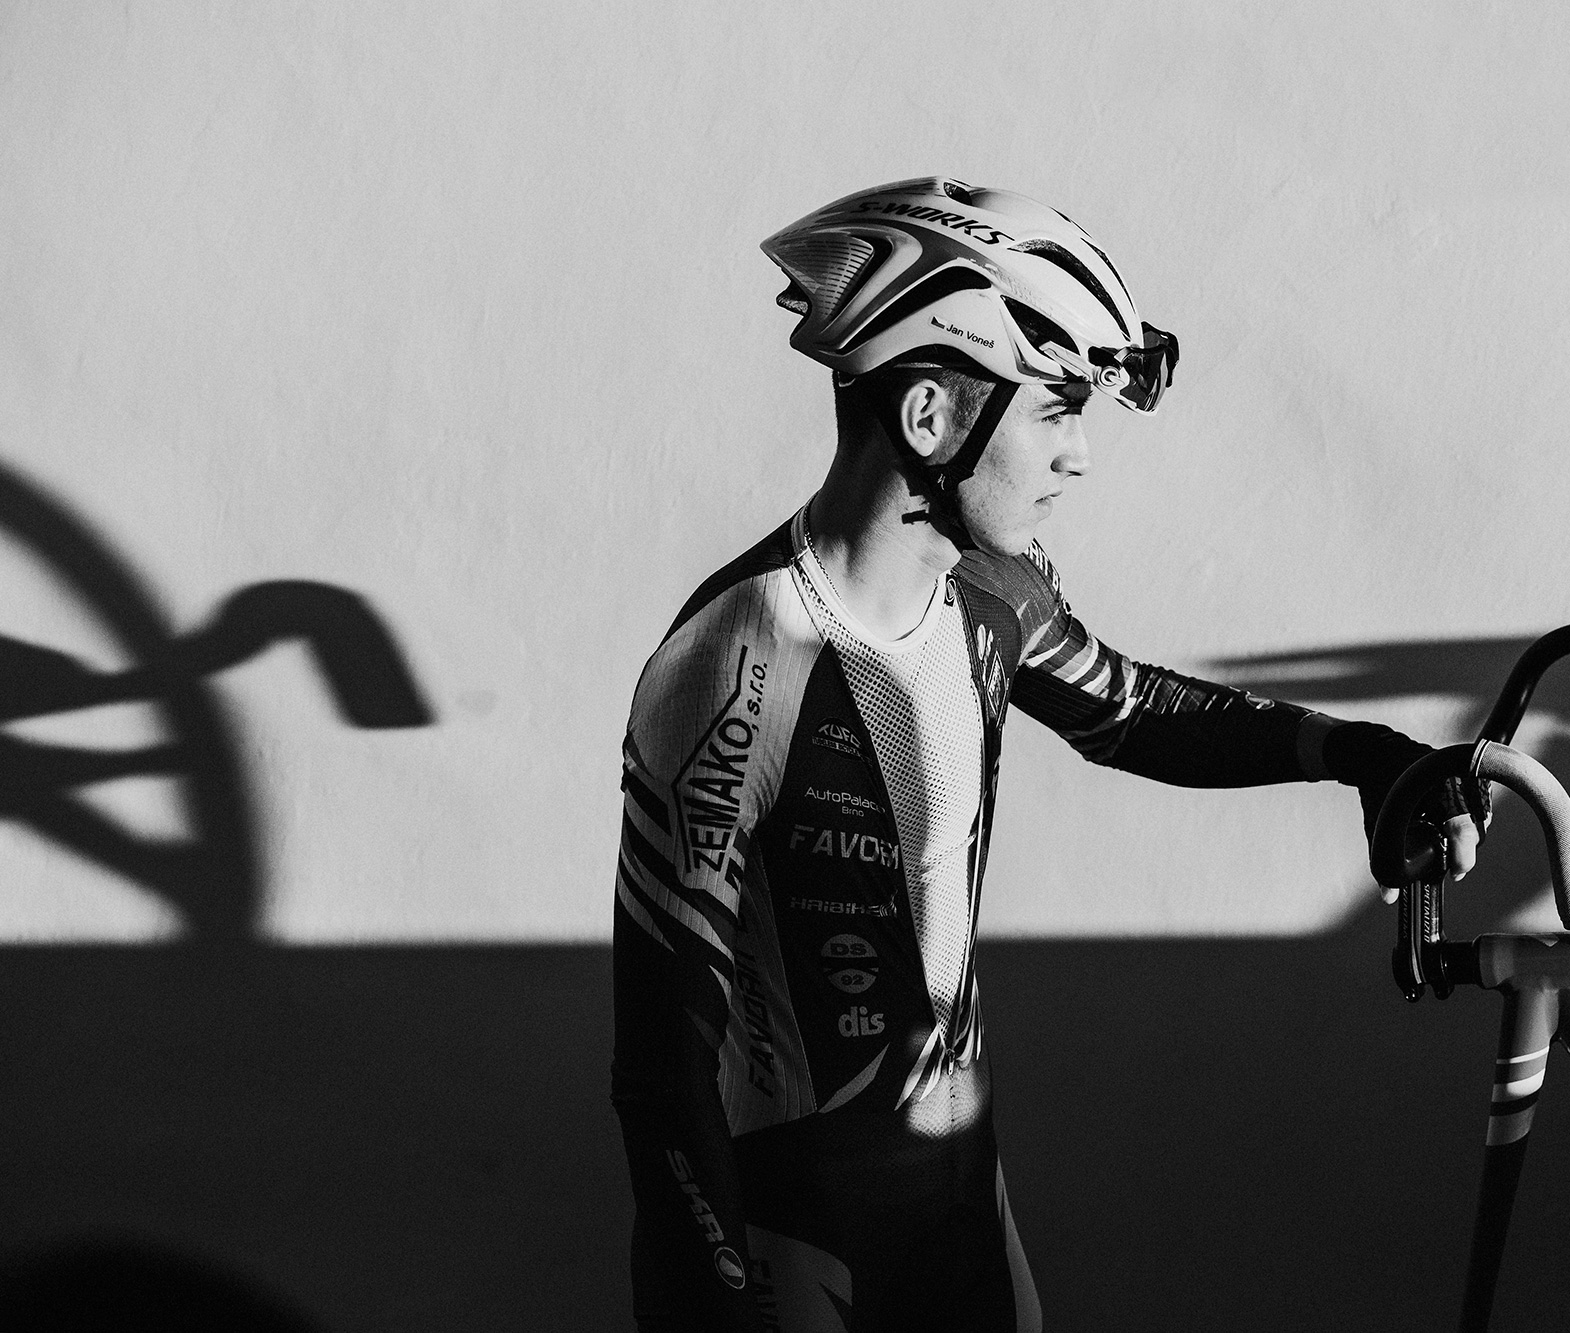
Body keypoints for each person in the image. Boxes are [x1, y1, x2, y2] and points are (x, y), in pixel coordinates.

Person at [611, 177, 1484, 1332]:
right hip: (799, 1241)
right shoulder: (733, 659)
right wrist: (717, 1299)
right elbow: (662, 1066)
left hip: (964, 1211)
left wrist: (1364, 754)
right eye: (1057, 409)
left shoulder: (992, 591)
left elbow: (1133, 711)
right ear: (930, 416)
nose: (1078, 457)